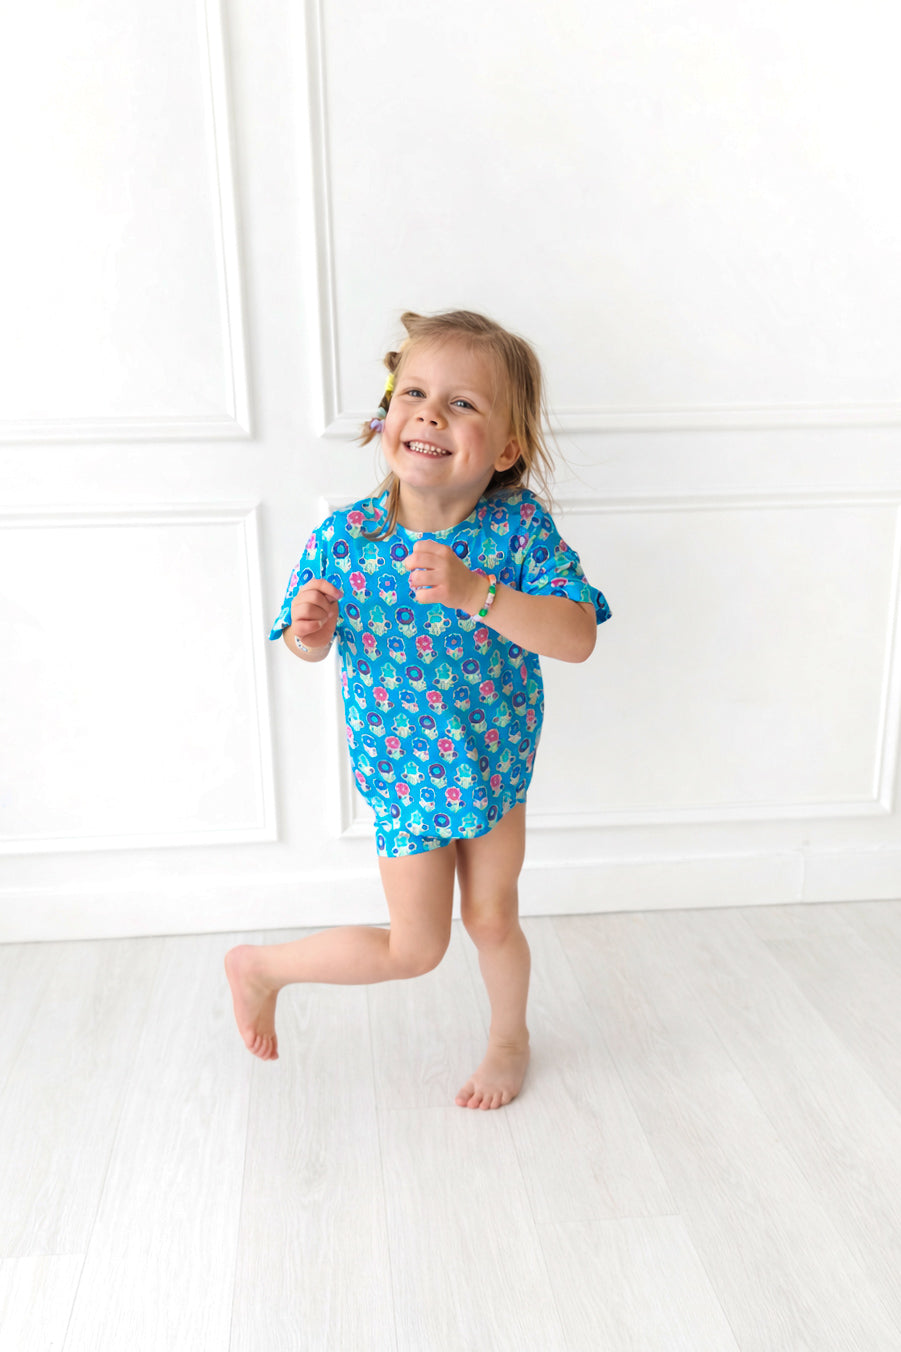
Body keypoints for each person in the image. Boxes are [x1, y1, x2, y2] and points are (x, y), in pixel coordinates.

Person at [226, 309, 611, 1110]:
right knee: (416, 947)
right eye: (415, 394)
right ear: (387, 419)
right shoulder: (347, 537)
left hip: (494, 768)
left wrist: (481, 595)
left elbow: (575, 637)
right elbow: (303, 644)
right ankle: (262, 967)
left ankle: (511, 1037)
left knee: (494, 918)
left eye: (463, 403)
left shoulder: (515, 533)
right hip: (404, 781)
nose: (431, 413)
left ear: (505, 449)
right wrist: (310, 630)